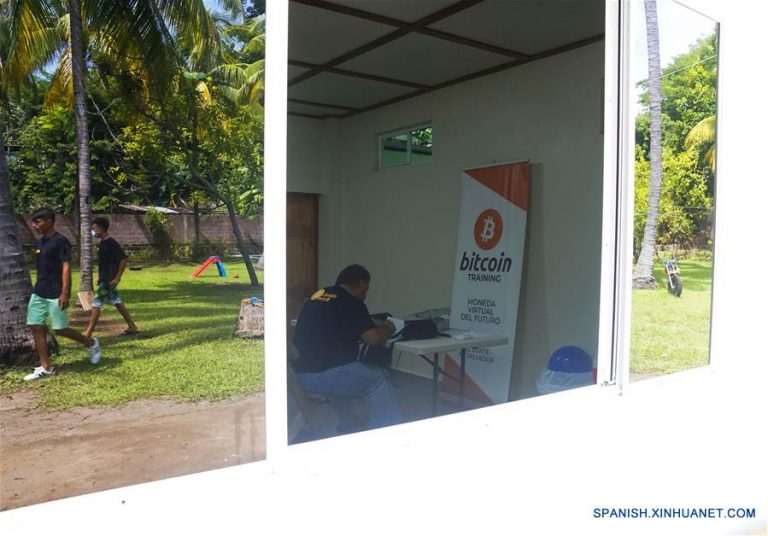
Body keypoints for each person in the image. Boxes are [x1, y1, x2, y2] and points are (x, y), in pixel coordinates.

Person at [292, 264, 403, 430]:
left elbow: (340, 318)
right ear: (361, 283)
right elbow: (373, 339)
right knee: (378, 379)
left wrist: (371, 321)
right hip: (320, 376)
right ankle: (386, 431)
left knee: (350, 369)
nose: (366, 293)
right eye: (366, 288)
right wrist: (388, 327)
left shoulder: (320, 294)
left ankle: (348, 423)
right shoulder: (353, 303)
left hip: (297, 372)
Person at [24, 208, 101, 381]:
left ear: (49, 221)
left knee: (60, 329)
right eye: (33, 222)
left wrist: (64, 293)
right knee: (36, 326)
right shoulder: (40, 242)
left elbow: (66, 268)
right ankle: (46, 367)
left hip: (56, 292)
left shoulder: (61, 241)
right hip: (39, 292)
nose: (34, 225)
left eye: (38, 222)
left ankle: (91, 343)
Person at [84, 216, 139, 338]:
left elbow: (123, 259)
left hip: (109, 281)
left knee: (96, 304)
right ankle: (132, 326)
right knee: (117, 302)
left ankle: (88, 332)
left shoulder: (111, 243)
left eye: (94, 228)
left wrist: (117, 277)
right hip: (105, 280)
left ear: (101, 228)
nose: (92, 231)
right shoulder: (102, 243)